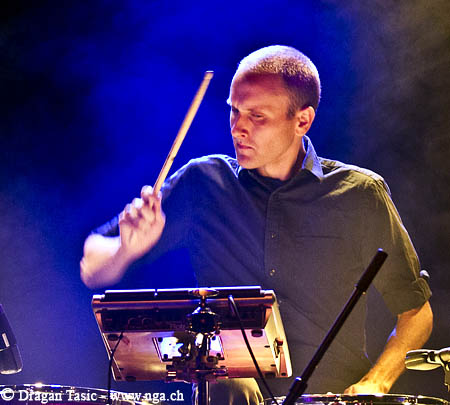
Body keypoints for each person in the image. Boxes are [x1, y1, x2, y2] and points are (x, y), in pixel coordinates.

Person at [80, 45, 433, 404]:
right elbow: (92, 263)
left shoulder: (360, 194)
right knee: (232, 385)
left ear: (302, 121)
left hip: (330, 397)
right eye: (234, 111)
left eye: (257, 116)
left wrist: (377, 381)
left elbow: (416, 311)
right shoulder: (203, 182)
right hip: (228, 395)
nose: (238, 128)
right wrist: (125, 250)